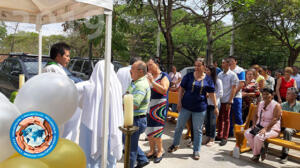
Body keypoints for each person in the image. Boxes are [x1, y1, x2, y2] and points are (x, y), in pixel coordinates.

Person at [167, 58, 218, 160]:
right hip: (186, 106)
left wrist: (216, 107)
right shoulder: (189, 76)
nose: (196, 67)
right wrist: (179, 102)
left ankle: (196, 150)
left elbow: (212, 94)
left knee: (197, 130)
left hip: (200, 108)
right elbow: (181, 89)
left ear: (204, 66)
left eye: (199, 65)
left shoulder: (208, 79)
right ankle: (175, 144)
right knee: (179, 126)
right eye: (195, 65)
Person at [244, 88, 282, 162]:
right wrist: (254, 124)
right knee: (247, 133)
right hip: (259, 126)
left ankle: (256, 155)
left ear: (272, 95)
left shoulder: (276, 105)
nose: (264, 96)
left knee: (258, 137)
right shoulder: (260, 104)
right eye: (263, 94)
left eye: (267, 94)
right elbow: (255, 115)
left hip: (272, 129)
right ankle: (261, 150)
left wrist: (266, 129)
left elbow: (275, 119)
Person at [126, 61, 151, 168]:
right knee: (127, 142)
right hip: (133, 118)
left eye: (132, 69)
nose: (130, 71)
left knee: (130, 149)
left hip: (136, 120)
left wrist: (119, 104)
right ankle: (142, 159)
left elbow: (134, 105)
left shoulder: (140, 85)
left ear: (140, 71)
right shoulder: (135, 82)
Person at [145, 58, 170, 163]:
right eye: (148, 65)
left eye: (150, 65)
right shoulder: (149, 76)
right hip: (149, 105)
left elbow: (164, 90)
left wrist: (152, 82)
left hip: (159, 106)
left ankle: (160, 151)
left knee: (157, 129)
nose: (149, 67)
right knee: (149, 129)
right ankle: (151, 150)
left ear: (157, 64)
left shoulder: (164, 76)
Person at [216, 58, 239, 146]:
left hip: (227, 100)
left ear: (228, 64)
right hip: (220, 99)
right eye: (222, 63)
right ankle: (219, 135)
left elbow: (233, 89)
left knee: (226, 119)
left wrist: (230, 101)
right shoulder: (220, 74)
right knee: (220, 118)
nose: (222, 64)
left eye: (224, 63)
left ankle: (225, 137)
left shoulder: (233, 75)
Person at [203, 65, 223, 146]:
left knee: (212, 122)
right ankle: (207, 136)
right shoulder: (205, 80)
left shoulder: (218, 81)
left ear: (212, 71)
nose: (206, 72)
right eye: (206, 70)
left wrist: (211, 95)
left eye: (208, 70)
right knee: (206, 121)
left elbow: (221, 93)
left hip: (214, 104)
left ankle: (212, 138)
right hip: (206, 103)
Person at [280, 87, 300, 164]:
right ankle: (262, 150)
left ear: (295, 96)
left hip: (295, 127)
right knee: (269, 128)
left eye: (288, 93)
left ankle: (285, 154)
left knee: (287, 130)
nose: (286, 95)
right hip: (282, 125)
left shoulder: (299, 105)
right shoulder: (282, 105)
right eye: (286, 93)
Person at [228, 56, 245, 137]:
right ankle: (230, 133)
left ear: (236, 61)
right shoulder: (227, 70)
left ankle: (241, 134)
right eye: (229, 61)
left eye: (232, 61)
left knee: (238, 115)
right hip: (227, 97)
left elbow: (241, 84)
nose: (230, 62)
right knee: (229, 115)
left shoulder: (240, 70)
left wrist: (233, 94)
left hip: (237, 96)